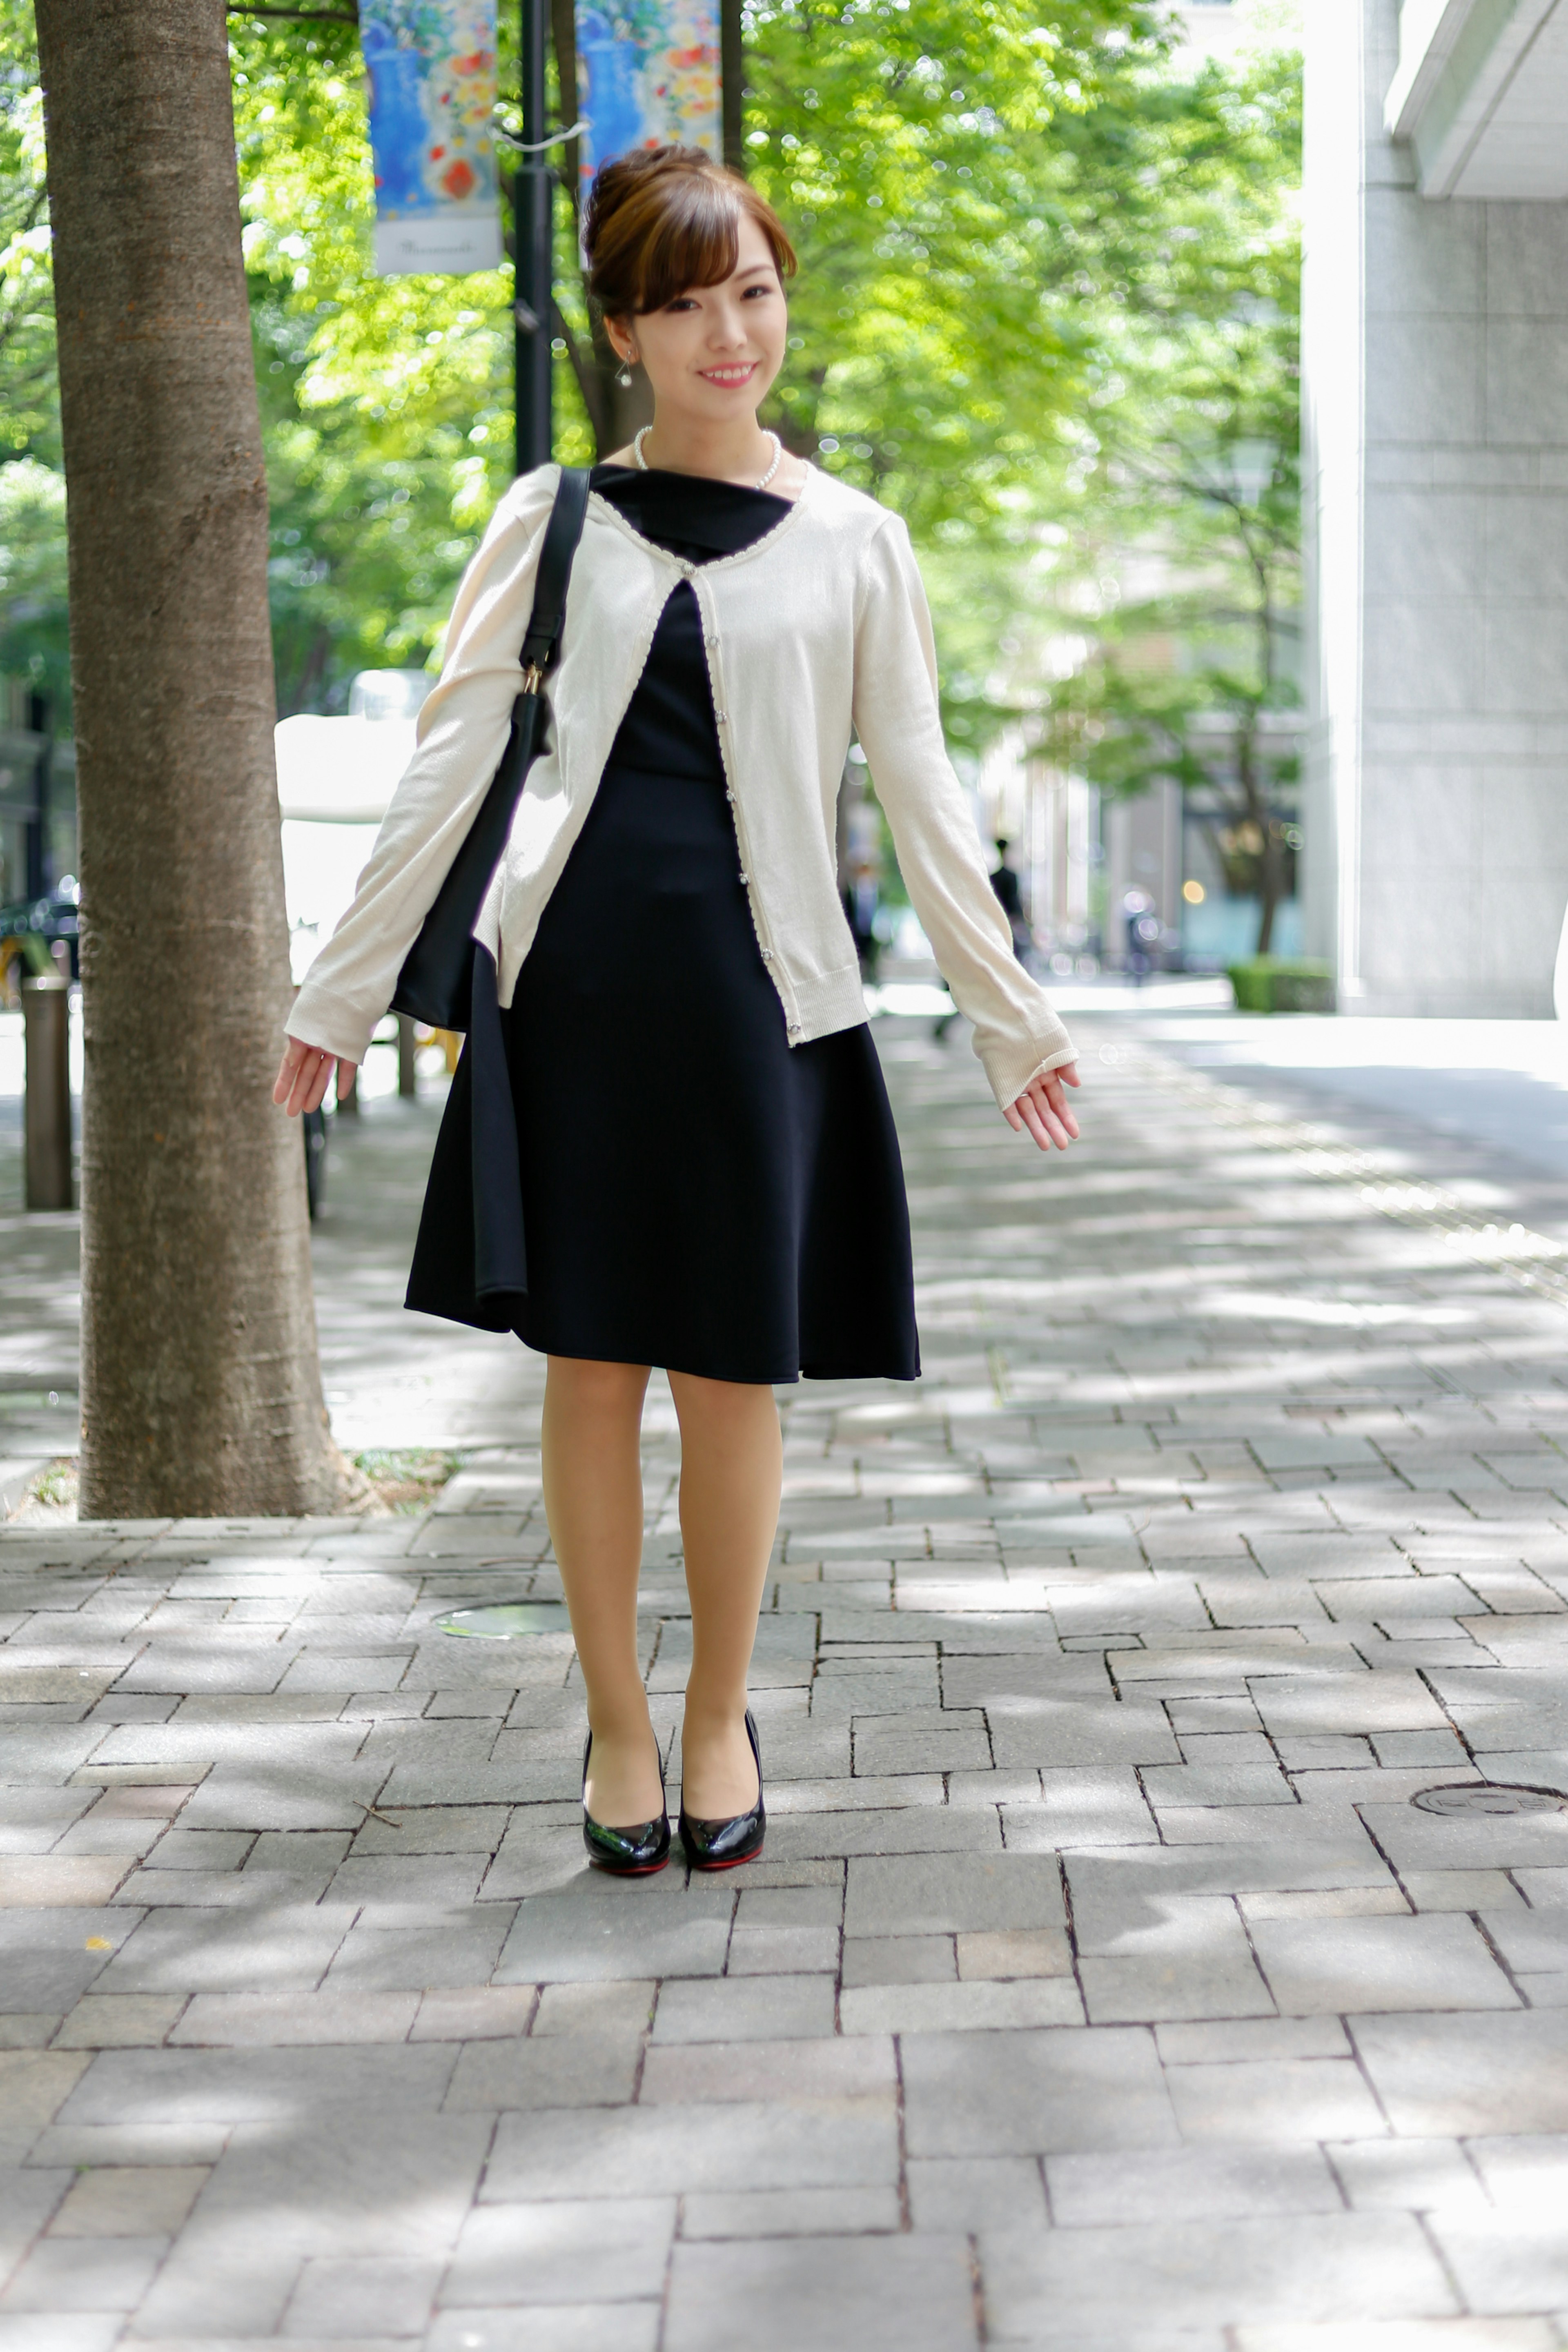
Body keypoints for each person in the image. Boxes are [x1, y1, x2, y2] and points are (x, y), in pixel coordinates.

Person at [273, 146, 1082, 1879]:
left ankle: (717, 1712)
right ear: (627, 330)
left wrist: (1013, 1019)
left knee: (732, 1375)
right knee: (589, 1371)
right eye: (691, 303)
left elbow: (926, 796)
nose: (735, 332)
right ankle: (616, 1725)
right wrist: (335, 992)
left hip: (758, 1003)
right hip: (573, 995)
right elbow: (446, 770)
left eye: (758, 292)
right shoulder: (548, 519)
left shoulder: (860, 542)